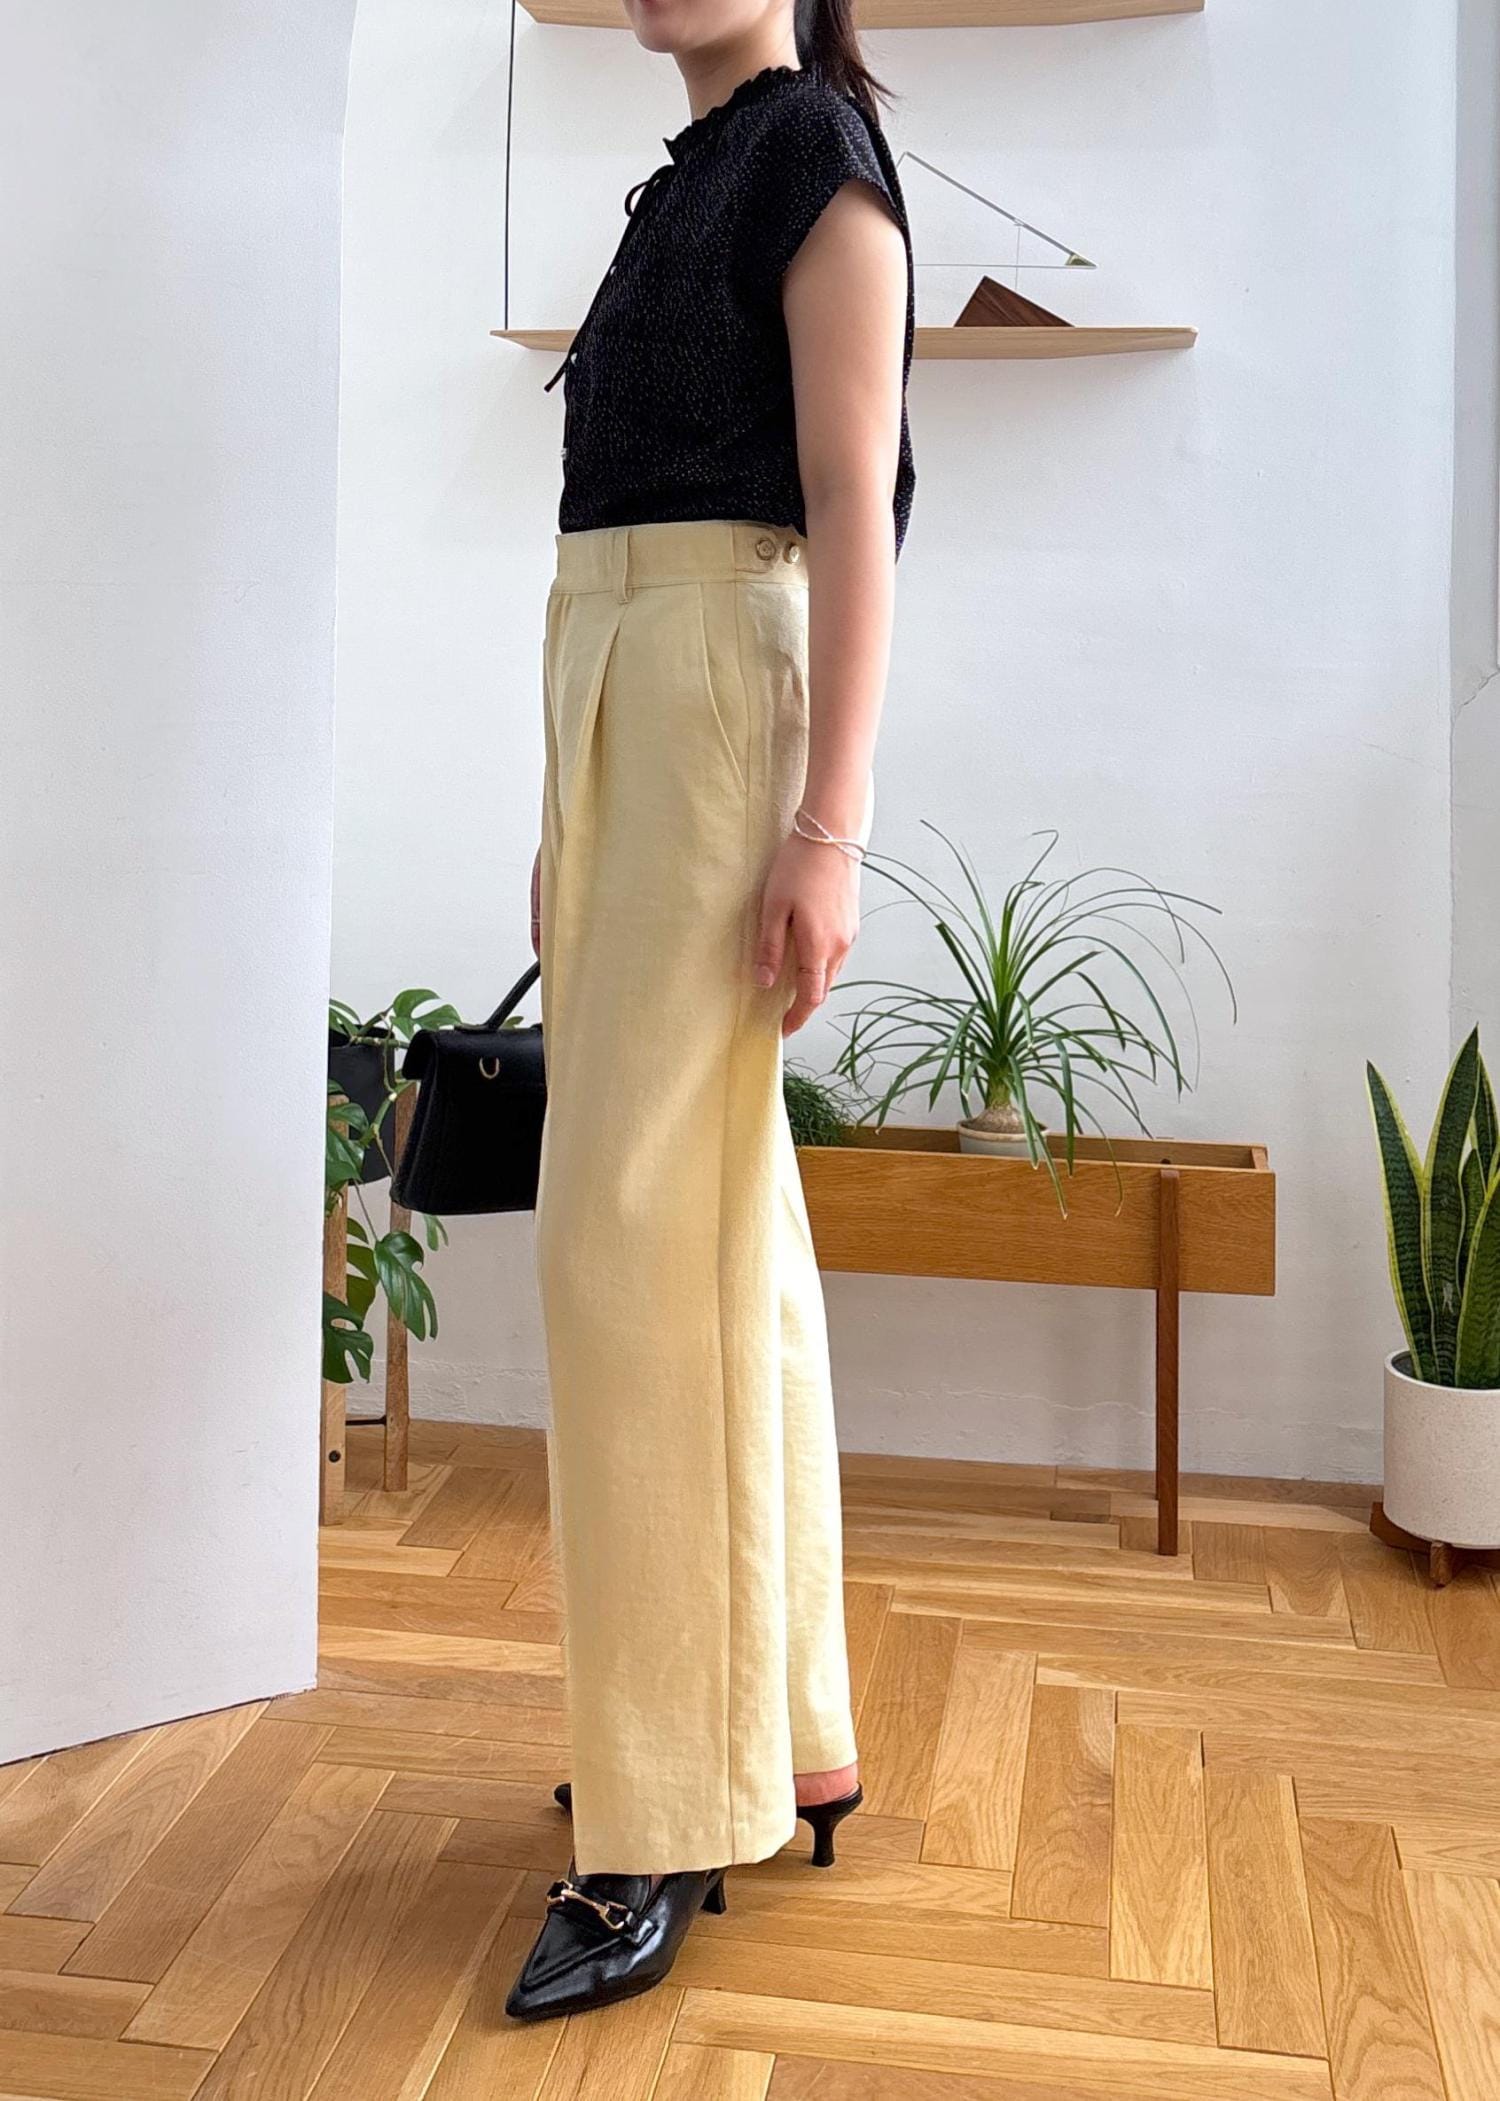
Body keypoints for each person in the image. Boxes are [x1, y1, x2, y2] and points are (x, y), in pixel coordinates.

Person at [507, 0, 915, 2023]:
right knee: (724, 1243)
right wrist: (561, 815)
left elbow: (853, 505)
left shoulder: (815, 156)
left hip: (708, 692)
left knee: (629, 1251)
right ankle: (787, 1723)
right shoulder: (691, 176)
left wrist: (830, 828)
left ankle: (662, 1805)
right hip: (618, 686)